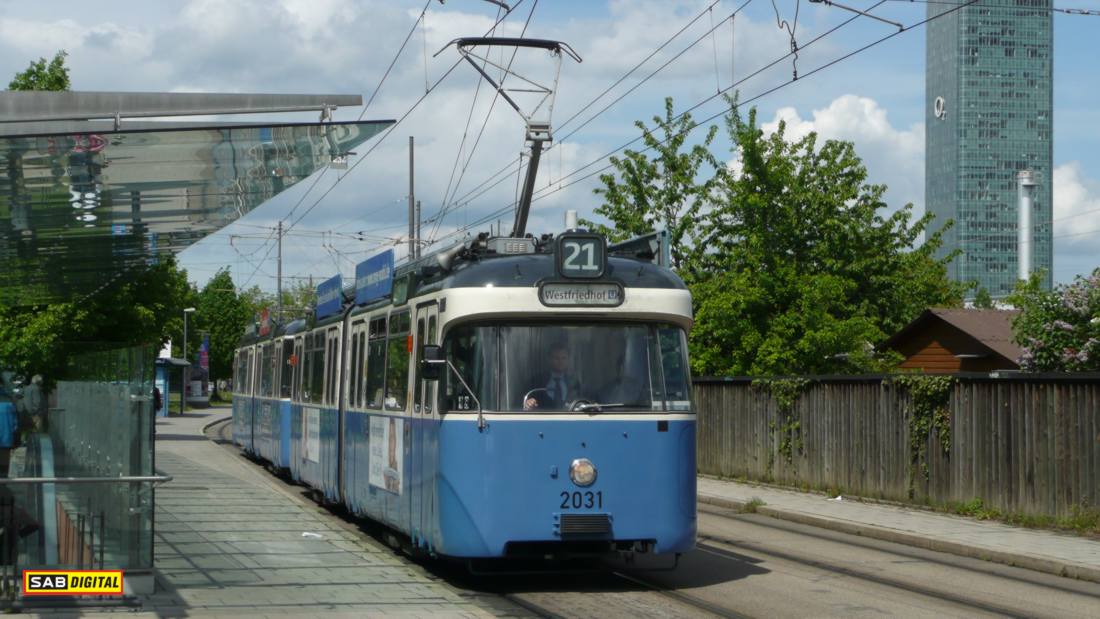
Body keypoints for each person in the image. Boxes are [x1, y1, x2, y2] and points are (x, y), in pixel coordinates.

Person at [524, 343, 583, 410]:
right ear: (549, 359)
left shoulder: (574, 383)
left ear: (568, 360)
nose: (560, 361)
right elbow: (525, 403)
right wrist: (529, 403)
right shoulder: (536, 381)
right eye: (556, 358)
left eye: (564, 358)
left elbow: (580, 403)